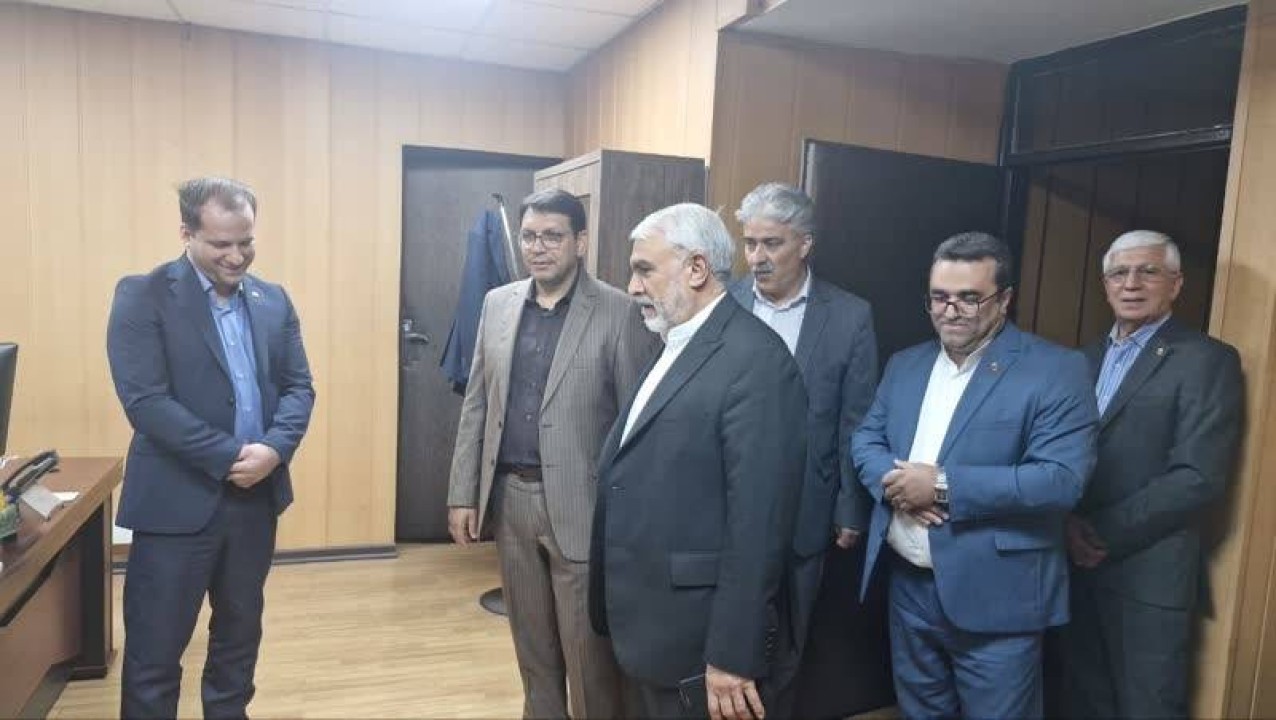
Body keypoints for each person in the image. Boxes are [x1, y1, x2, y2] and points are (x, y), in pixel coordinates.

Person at [851, 232, 1098, 719]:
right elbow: (866, 439)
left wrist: (941, 487)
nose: (951, 311)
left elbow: (1061, 478)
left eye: (969, 298)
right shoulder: (906, 364)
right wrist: (898, 487)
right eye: (939, 297)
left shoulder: (1056, 370)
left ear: (1004, 300)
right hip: (908, 589)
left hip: (998, 596)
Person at [107, 176, 316, 718]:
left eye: (246, 241)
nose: (237, 255)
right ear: (186, 233)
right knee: (154, 656)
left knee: (238, 643)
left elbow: (299, 387)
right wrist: (229, 457)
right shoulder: (143, 295)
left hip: (254, 502)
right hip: (175, 506)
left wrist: (274, 450)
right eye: (221, 243)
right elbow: (146, 402)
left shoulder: (273, 300)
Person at [589, 203, 808, 719]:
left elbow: (759, 526)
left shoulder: (756, 361)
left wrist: (733, 654)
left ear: (696, 268)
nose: (633, 287)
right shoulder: (676, 341)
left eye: (645, 270)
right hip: (653, 625)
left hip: (702, 641)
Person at [447, 189, 659, 719]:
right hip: (511, 501)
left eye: (552, 236)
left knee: (590, 659)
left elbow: (636, 425)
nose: (537, 248)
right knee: (533, 653)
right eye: (529, 236)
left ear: (580, 242)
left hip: (584, 507)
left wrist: (630, 521)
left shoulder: (619, 311)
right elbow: (477, 404)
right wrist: (462, 494)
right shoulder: (498, 304)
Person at [1057, 230, 1243, 719]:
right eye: (1119, 273)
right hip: (1074, 567)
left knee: (1149, 708)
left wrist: (1098, 533)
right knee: (1080, 705)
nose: (1132, 283)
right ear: (1105, 285)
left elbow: (1198, 475)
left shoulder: (1207, 359)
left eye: (1148, 271)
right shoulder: (1079, 360)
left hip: (1149, 578)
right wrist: (1067, 525)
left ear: (1176, 284)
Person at [727, 182, 878, 707]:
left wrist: (851, 507)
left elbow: (856, 419)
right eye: (750, 243)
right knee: (727, 631)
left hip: (806, 506)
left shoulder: (849, 316)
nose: (757, 257)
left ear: (805, 244)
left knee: (790, 638)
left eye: (772, 243)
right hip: (727, 499)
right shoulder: (724, 303)